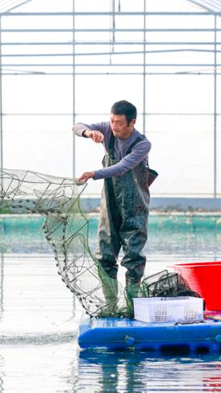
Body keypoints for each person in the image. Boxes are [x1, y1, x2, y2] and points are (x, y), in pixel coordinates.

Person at [73, 100, 153, 312]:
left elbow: (122, 168)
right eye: (111, 121)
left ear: (132, 122)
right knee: (105, 254)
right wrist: (89, 133)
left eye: (119, 123)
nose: (114, 126)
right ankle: (109, 306)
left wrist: (94, 174)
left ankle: (132, 307)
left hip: (135, 205)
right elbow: (77, 126)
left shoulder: (142, 144)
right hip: (110, 204)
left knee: (133, 255)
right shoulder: (108, 131)